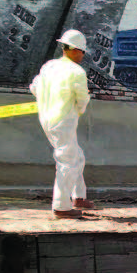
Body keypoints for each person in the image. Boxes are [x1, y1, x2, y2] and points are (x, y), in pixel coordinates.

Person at [30, 29, 94, 219]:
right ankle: (61, 206)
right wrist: (79, 110)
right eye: (82, 51)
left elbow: (34, 87)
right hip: (63, 121)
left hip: (47, 119)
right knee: (67, 162)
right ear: (74, 50)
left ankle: (78, 196)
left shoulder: (49, 66)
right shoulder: (77, 72)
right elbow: (82, 99)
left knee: (77, 156)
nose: (83, 55)